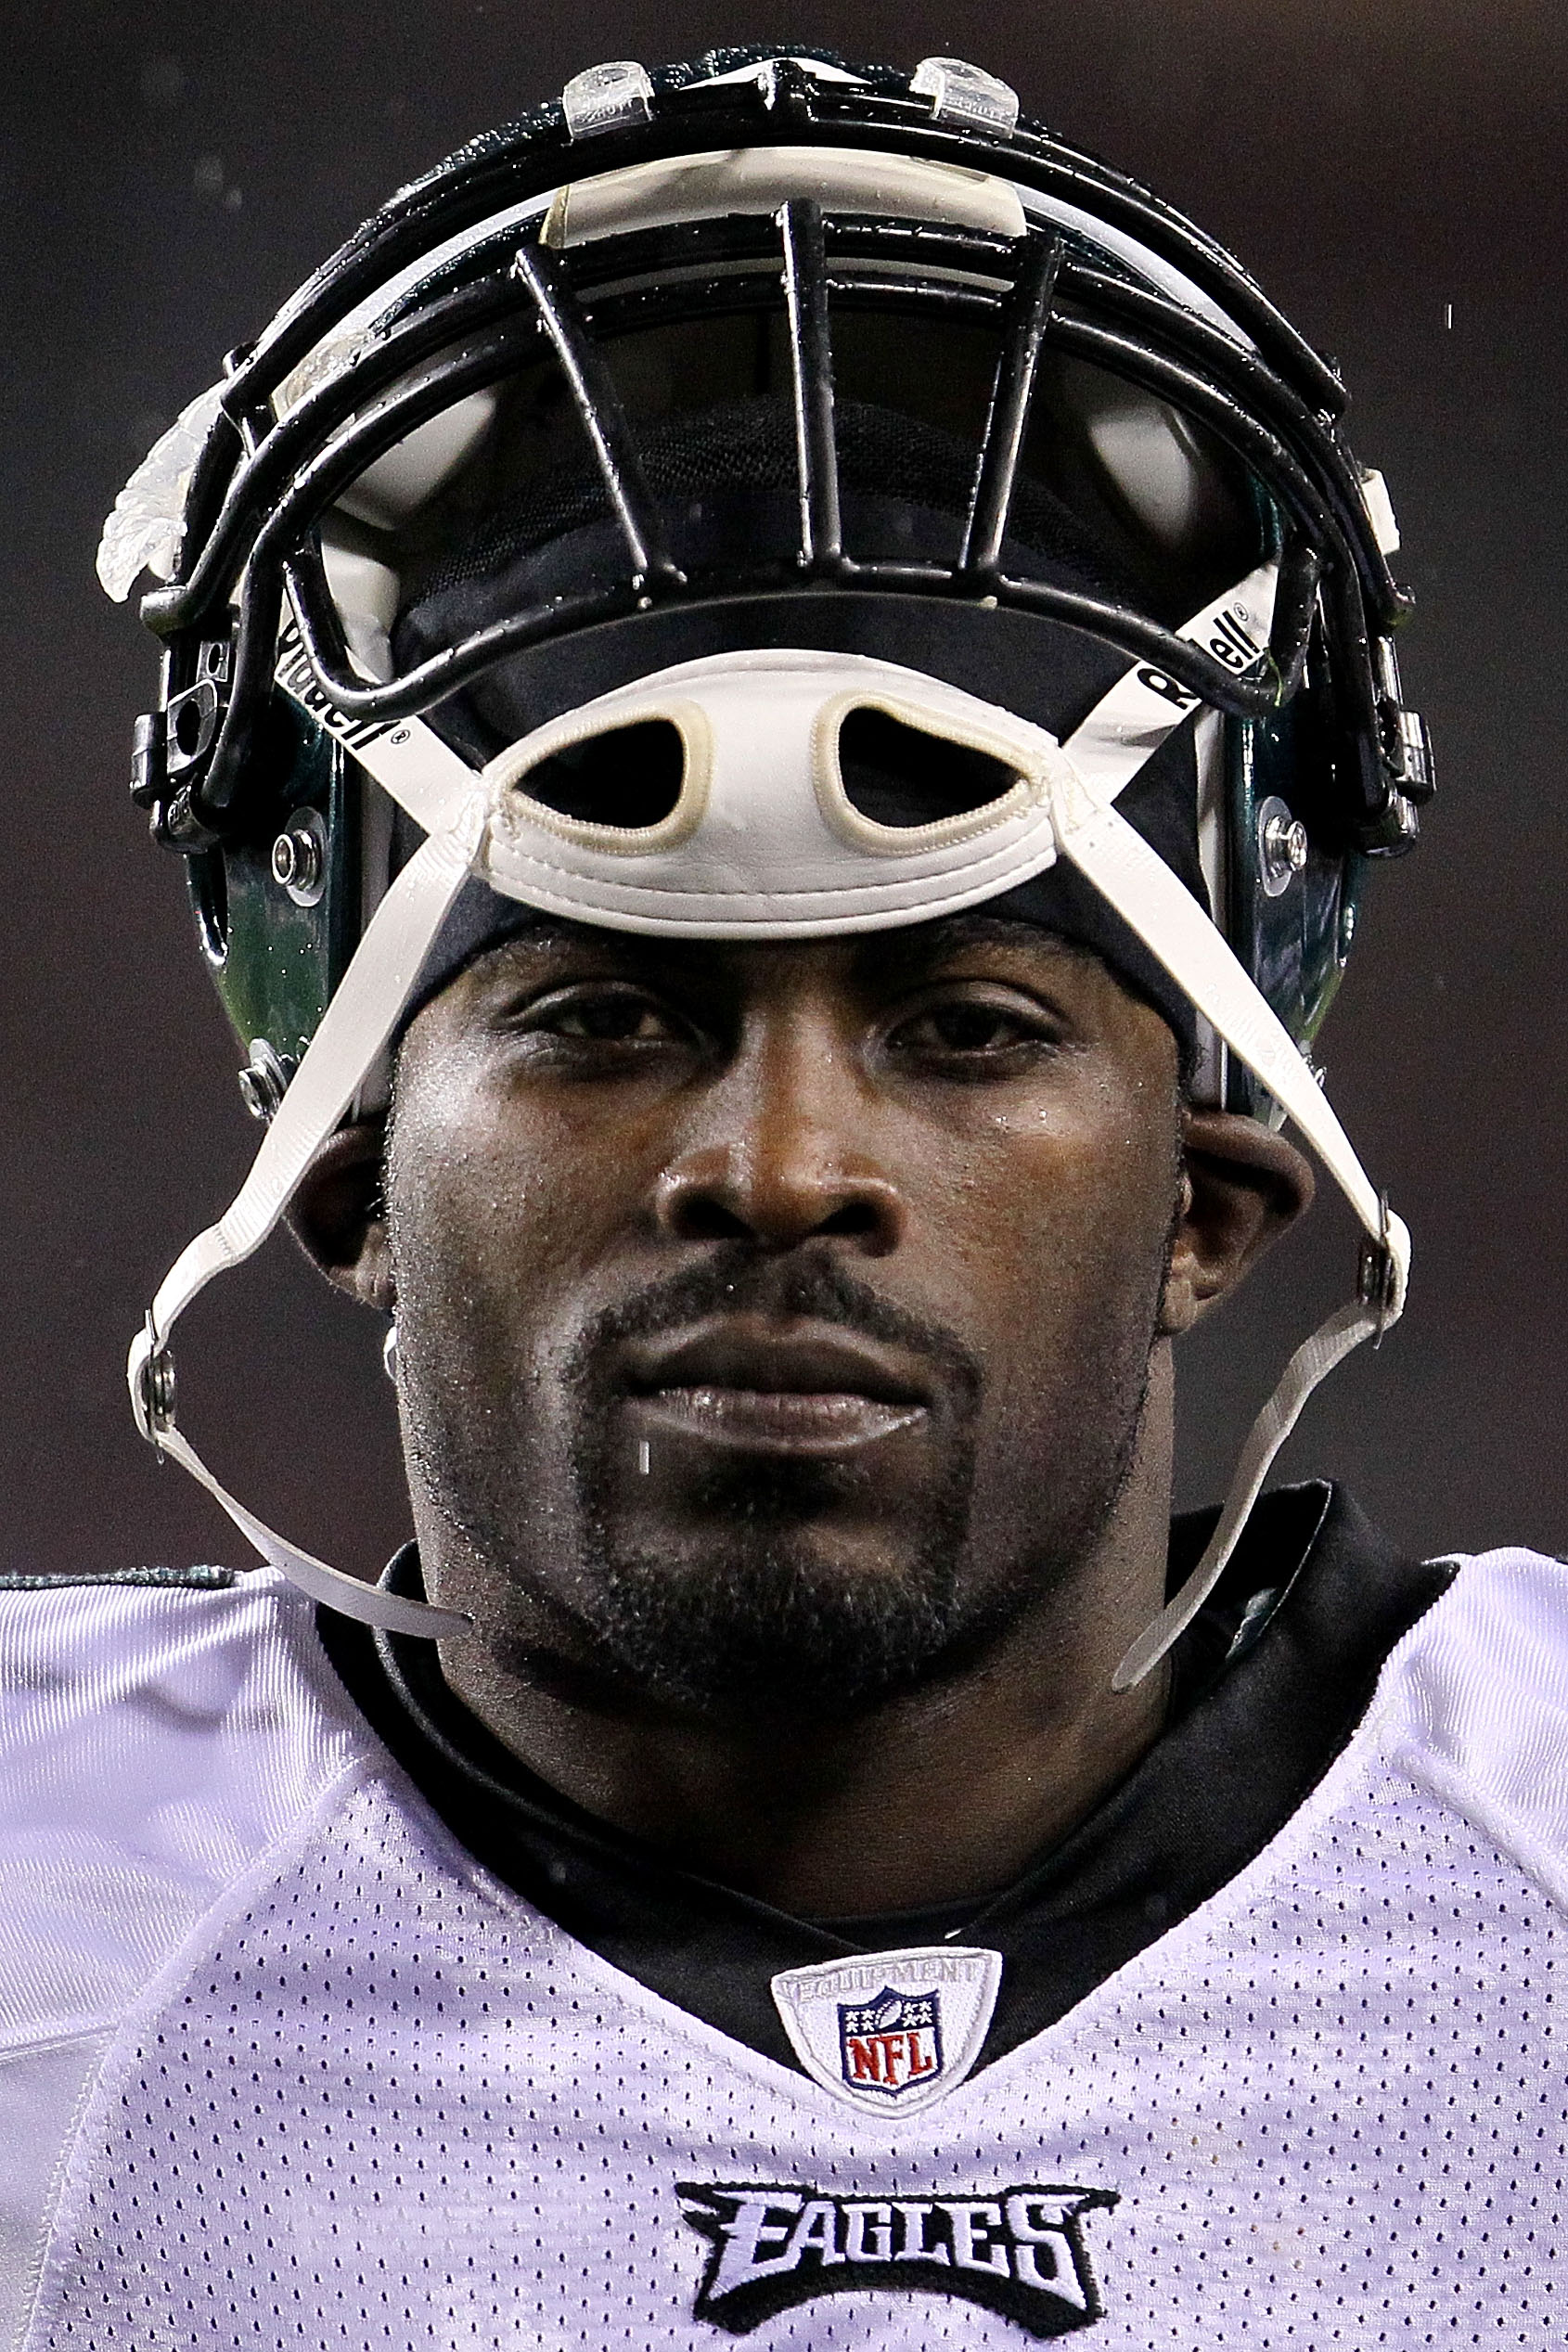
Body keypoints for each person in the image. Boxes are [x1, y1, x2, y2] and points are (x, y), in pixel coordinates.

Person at [5, 44, 1562, 2349]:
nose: (777, 1168)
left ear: (1210, 1202)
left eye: (964, 1027)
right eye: (604, 1016)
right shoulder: (46, 1882)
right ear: (341, 1183)